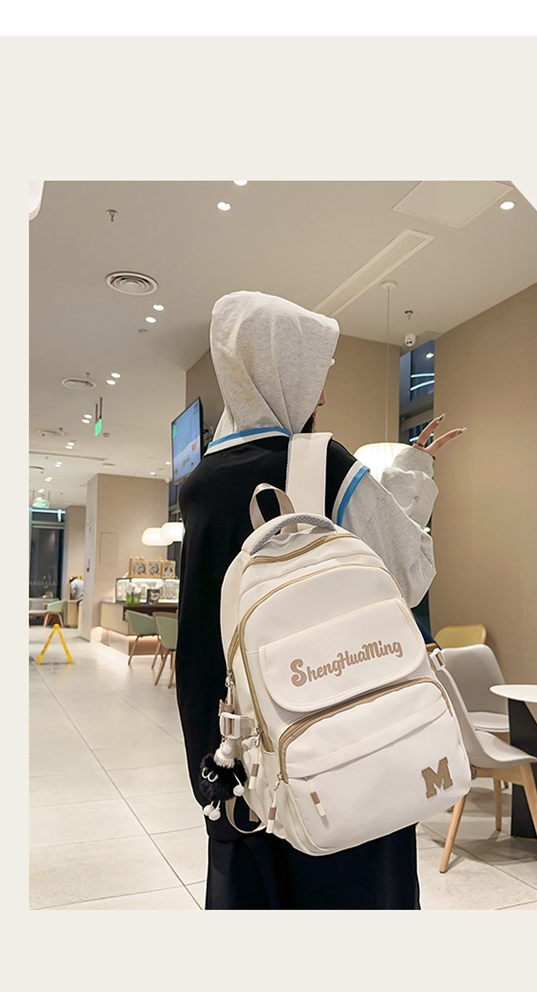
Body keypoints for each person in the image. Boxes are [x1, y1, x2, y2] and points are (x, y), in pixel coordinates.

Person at [175, 290, 466, 910]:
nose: (322, 396)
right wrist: (413, 475)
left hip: (235, 745)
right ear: (281, 368)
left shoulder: (198, 484)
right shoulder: (320, 463)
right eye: (314, 373)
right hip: (334, 739)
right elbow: (406, 574)